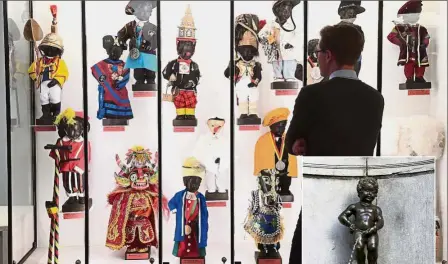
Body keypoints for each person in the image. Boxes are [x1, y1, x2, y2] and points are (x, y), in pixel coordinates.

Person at [286, 24, 384, 264]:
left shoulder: (312, 95)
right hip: (356, 194)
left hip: (319, 194)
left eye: (318, 52)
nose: (317, 57)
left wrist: (298, 143)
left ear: (328, 55)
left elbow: (291, 141)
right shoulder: (374, 99)